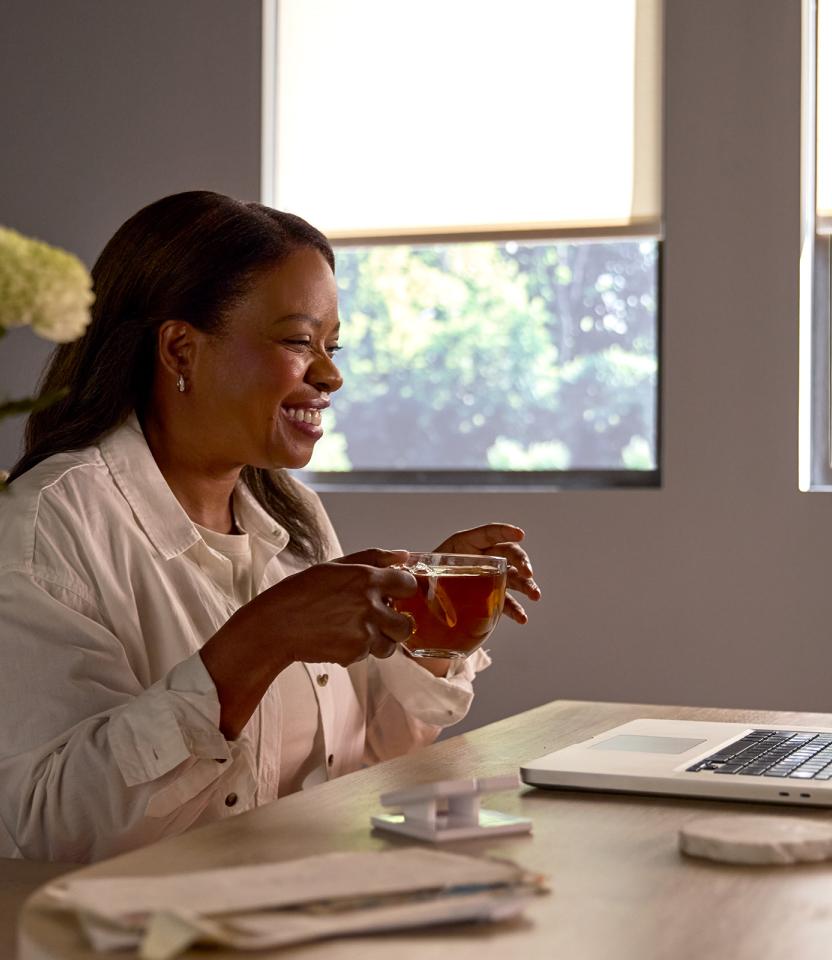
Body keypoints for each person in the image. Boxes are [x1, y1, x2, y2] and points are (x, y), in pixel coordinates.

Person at [0, 191, 540, 863]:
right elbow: (43, 829)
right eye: (297, 341)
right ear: (179, 349)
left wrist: (433, 623)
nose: (331, 374)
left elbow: (370, 753)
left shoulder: (294, 514)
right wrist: (259, 642)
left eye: (332, 345)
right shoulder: (47, 524)